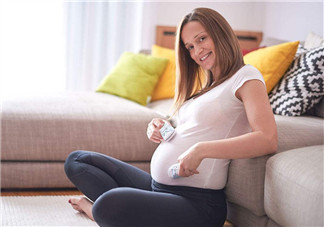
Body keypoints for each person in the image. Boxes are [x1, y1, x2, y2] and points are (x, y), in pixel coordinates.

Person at [64, 7, 277, 227]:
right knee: (77, 161)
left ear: (220, 33)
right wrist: (159, 126)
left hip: (197, 203)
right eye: (190, 47)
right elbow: (189, 129)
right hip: (159, 188)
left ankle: (96, 210)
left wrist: (201, 150)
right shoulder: (207, 87)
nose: (196, 52)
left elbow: (267, 138)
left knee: (107, 205)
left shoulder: (245, 76)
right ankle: (134, 212)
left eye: (202, 39)